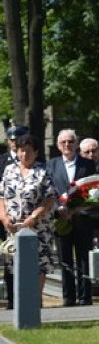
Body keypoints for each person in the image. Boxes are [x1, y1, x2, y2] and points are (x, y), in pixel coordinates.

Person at [0, 134, 57, 299]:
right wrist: (4, 218)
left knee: (39, 264)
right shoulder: (9, 170)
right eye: (22, 151)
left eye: (29, 151)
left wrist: (34, 216)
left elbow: (50, 197)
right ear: (17, 152)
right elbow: (1, 196)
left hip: (37, 227)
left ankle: (36, 301)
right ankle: (21, 302)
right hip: (14, 227)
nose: (25, 154)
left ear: (36, 152)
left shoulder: (42, 171)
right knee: (15, 264)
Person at [47, 130, 98, 306]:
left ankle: (85, 296)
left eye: (70, 141)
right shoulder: (51, 165)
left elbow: (93, 192)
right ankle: (68, 297)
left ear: (76, 144)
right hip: (61, 220)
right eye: (63, 142)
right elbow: (48, 192)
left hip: (82, 218)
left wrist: (77, 209)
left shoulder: (88, 165)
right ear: (58, 145)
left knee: (85, 258)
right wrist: (58, 210)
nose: (67, 145)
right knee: (65, 260)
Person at [0, 124, 28, 304]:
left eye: (17, 139)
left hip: (25, 217)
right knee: (8, 256)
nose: (14, 142)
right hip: (5, 217)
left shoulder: (30, 159)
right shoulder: (1, 161)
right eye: (11, 140)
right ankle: (11, 299)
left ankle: (26, 298)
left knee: (25, 257)